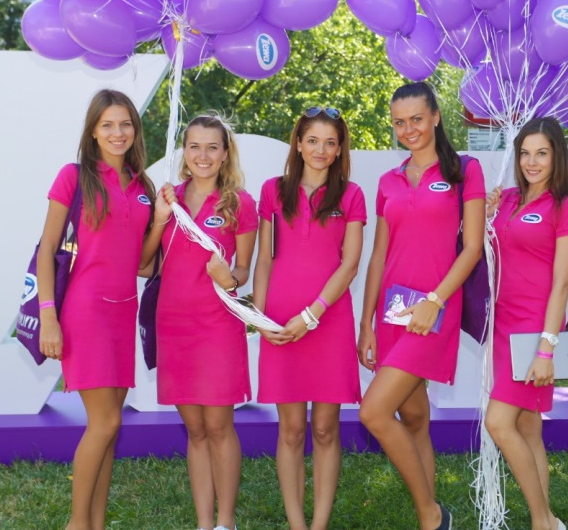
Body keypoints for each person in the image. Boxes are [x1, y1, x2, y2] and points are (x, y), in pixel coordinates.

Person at [358, 82, 486, 530]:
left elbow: (472, 248)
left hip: (434, 311)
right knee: (413, 418)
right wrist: (366, 323)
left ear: (435, 116)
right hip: (393, 310)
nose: (408, 129)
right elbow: (379, 256)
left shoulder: (465, 171)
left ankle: (433, 515)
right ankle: (428, 519)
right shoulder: (388, 181)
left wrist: (434, 301)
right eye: (399, 122)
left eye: (416, 119)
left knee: (373, 412)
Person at [37, 89, 156, 530]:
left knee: (110, 427)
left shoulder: (143, 187)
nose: (117, 132)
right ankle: (76, 523)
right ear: (93, 131)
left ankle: (96, 524)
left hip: (124, 314)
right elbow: (47, 249)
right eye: (107, 125)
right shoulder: (74, 177)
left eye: (125, 124)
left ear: (135, 130)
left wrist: (162, 220)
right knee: (104, 423)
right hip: (85, 312)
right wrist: (48, 315)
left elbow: (143, 264)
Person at [252, 106, 366, 530]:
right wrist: (260, 318)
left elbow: (349, 265)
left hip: (328, 321)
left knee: (324, 429)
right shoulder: (272, 190)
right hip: (281, 323)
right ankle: (297, 524)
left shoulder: (351, 195)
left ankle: (319, 525)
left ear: (339, 150)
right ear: (298, 143)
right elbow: (265, 259)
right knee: (291, 430)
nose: (321, 149)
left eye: (330, 143)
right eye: (313, 140)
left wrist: (312, 315)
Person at [149, 113, 257, 530]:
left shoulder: (240, 203)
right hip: (173, 324)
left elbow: (243, 270)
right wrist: (161, 216)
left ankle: (226, 522)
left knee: (218, 425)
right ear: (185, 151)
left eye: (212, 147)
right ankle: (203, 523)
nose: (203, 155)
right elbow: (145, 262)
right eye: (194, 146)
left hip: (217, 325)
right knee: (194, 430)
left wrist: (229, 278)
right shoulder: (169, 198)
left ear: (226, 153)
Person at [484, 117, 568, 530]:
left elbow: (562, 284)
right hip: (502, 326)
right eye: (525, 153)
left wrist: (546, 349)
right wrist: (487, 214)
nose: (531, 162)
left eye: (541, 153)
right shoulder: (507, 199)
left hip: (534, 330)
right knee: (527, 427)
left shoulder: (566, 206)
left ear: (557, 156)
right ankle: (546, 522)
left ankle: (544, 522)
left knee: (498, 422)